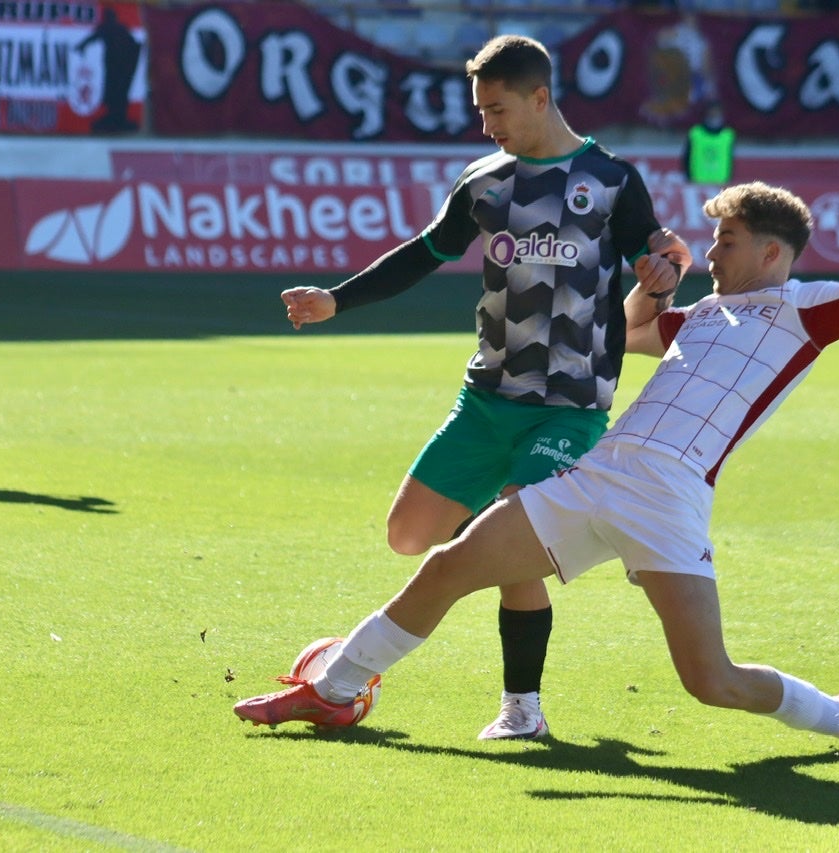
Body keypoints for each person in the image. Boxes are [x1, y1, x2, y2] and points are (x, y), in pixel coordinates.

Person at [235, 182, 839, 753]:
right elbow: (623, 335)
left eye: (724, 241)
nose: (711, 251)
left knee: (713, 682)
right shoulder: (701, 314)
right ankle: (335, 690)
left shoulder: (809, 311)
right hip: (603, 473)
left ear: (773, 252)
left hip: (670, 497)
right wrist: (653, 290)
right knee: (449, 565)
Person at [278, 34, 690, 740]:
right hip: (487, 399)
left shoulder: (612, 178)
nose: (487, 125)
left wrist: (666, 271)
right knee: (408, 535)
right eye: (481, 112)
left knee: (511, 544)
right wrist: (337, 300)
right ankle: (511, 532)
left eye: (497, 109)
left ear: (539, 97)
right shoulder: (485, 181)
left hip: (570, 404)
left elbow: (657, 251)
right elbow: (423, 252)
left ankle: (521, 708)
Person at [683, 102, 734, 184]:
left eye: (717, 114)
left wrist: (729, 178)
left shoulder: (728, 135)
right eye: (712, 114)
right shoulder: (696, 133)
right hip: (698, 182)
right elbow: (686, 157)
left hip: (721, 183)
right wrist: (688, 177)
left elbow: (730, 159)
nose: (714, 116)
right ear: (706, 115)